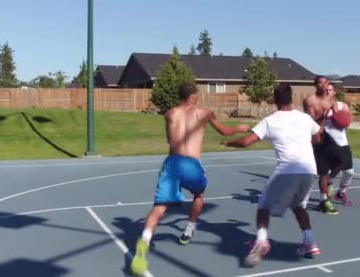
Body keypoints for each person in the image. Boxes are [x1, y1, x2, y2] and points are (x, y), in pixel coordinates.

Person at [130, 83, 251, 276]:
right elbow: (225, 132)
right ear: (193, 97)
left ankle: (143, 242)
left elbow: (170, 141)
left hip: (172, 163)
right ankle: (189, 229)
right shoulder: (204, 112)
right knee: (199, 194)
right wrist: (241, 127)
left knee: (159, 208)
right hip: (191, 163)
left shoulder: (169, 114)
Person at [222, 83, 321, 268]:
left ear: (274, 100)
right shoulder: (305, 118)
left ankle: (261, 241)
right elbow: (318, 136)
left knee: (263, 207)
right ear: (292, 98)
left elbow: (246, 142)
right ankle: (309, 242)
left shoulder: (270, 121)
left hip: (287, 170)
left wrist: (229, 143)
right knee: (298, 206)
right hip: (309, 170)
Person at [303, 76, 340, 214]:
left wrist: (341, 117)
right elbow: (311, 121)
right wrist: (324, 116)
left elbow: (337, 119)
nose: (324, 85)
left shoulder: (331, 100)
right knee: (318, 172)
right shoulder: (310, 100)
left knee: (342, 160)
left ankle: (329, 183)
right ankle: (323, 201)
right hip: (313, 137)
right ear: (316, 85)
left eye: (326, 83)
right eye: (321, 83)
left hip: (327, 136)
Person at [323, 83, 355, 206]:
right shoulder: (319, 106)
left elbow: (344, 123)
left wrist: (334, 108)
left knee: (349, 172)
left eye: (330, 90)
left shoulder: (343, 105)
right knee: (325, 170)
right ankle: (323, 198)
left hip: (342, 143)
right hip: (326, 143)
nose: (327, 92)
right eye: (326, 90)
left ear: (334, 92)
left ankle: (340, 192)